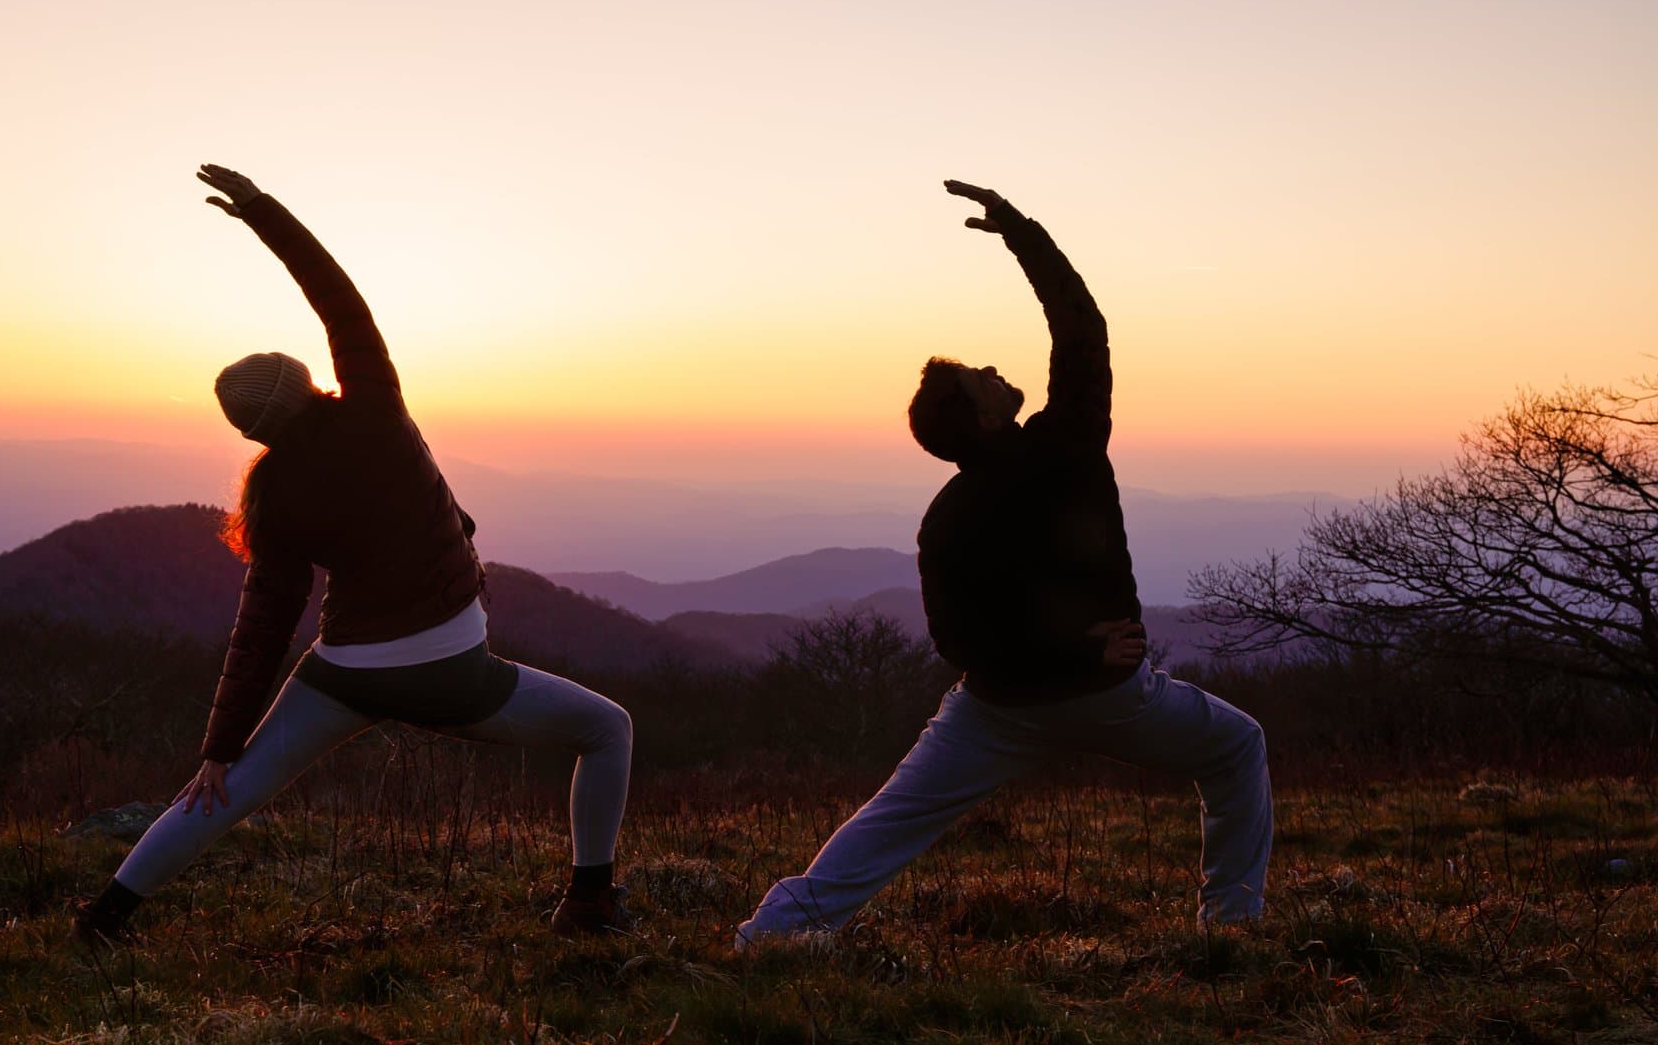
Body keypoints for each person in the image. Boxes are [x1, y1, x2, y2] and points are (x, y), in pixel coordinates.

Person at [75, 165, 634, 944]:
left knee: (224, 790)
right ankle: (589, 902)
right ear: (307, 381)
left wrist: (217, 748)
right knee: (608, 729)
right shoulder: (373, 406)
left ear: (250, 433)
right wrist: (265, 214)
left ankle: (106, 918)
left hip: (342, 672)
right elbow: (337, 297)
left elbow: (264, 623)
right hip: (449, 672)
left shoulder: (272, 496)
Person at [736, 180, 1272, 947]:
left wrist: (1058, 651)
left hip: (996, 704)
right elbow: (1082, 329)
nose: (992, 368)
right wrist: (1023, 235)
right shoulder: (1068, 449)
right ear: (987, 416)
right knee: (1237, 747)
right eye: (979, 376)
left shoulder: (945, 518)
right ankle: (1230, 928)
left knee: (896, 816)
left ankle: (775, 931)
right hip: (1105, 689)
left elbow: (958, 640)